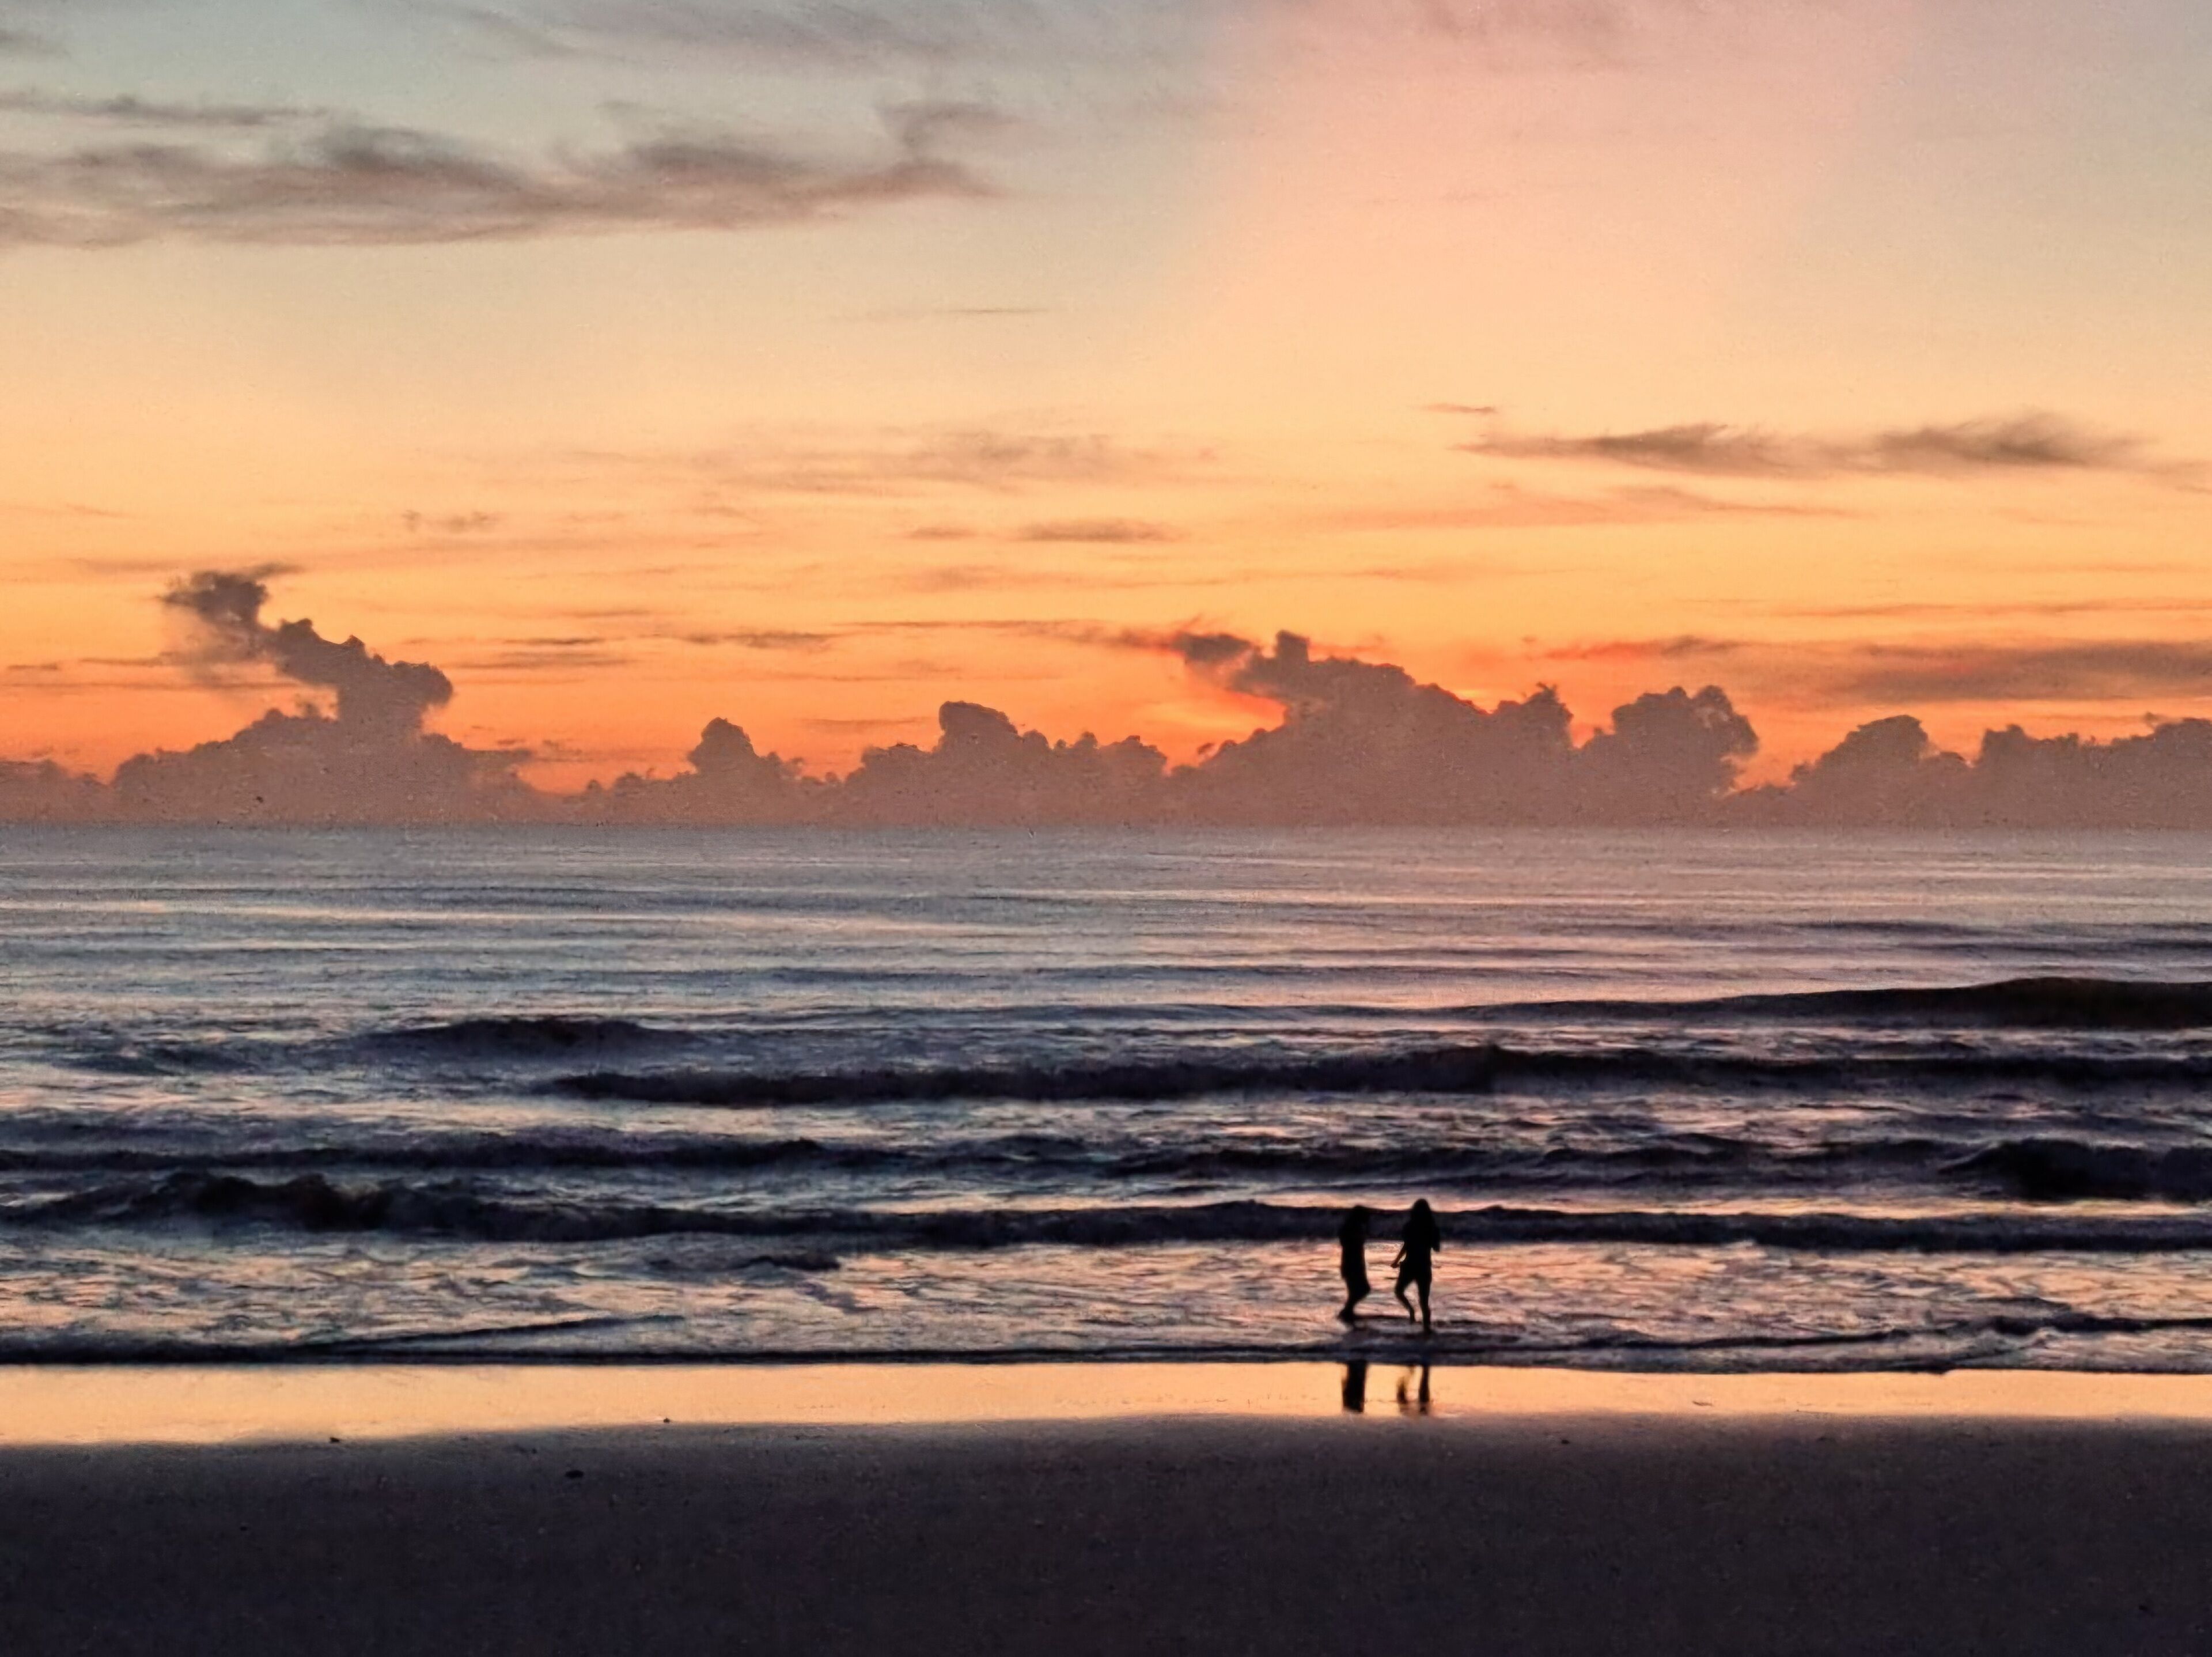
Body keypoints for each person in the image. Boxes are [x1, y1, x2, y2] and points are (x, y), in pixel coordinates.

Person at [1392, 1198, 1441, 1334]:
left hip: (1410, 1265)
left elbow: (1406, 1246)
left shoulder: (1410, 1226)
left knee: (1399, 1291)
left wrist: (1396, 1261)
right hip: (1424, 1266)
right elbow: (1437, 1249)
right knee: (1424, 1301)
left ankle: (1411, 1311)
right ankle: (1427, 1329)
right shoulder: (1432, 1228)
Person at [1336, 1205, 1372, 1323]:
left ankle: (1348, 1311)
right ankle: (1347, 1311)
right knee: (1363, 1289)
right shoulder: (1353, 1228)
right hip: (1352, 1264)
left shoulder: (1353, 1227)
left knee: (1357, 1290)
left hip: (1354, 1263)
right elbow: (1351, 1245)